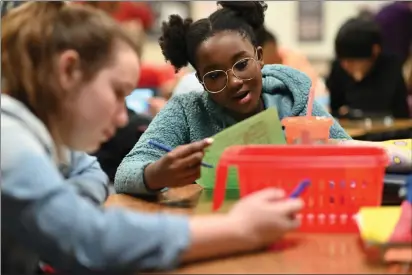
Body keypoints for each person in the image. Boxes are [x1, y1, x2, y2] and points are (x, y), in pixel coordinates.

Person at [1, 2, 304, 274]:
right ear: (69, 71)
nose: (123, 117)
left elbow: (90, 172)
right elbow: (91, 239)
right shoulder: (9, 139)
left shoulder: (42, 139)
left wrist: (70, 203)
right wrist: (239, 228)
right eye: (118, 93)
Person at [114, 1, 351, 195]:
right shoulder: (187, 111)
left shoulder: (291, 97)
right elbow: (125, 173)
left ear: (259, 57)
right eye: (215, 75)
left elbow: (350, 152)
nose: (235, 81)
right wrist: (156, 174)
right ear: (201, 80)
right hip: (218, 228)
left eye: (242, 64)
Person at [326, 17, 410, 119]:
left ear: (375, 51)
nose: (345, 65)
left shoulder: (391, 66)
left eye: (352, 61)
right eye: (342, 60)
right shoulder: (338, 67)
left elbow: (400, 112)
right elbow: (335, 109)